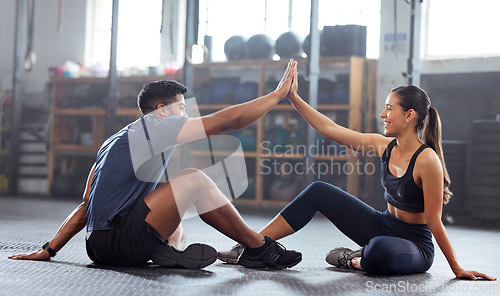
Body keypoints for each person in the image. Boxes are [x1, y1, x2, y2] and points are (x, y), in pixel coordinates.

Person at [8, 59, 302, 270]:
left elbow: (87, 204)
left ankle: (169, 251)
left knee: (177, 226)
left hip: (97, 246)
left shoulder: (113, 141)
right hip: (118, 242)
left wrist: (50, 249)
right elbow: (227, 121)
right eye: (182, 109)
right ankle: (259, 248)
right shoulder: (154, 126)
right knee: (193, 180)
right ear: (162, 110)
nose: (185, 116)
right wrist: (277, 96)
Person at [218, 67, 497, 280]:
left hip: (414, 245)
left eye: (389, 109)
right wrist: (292, 97)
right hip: (383, 225)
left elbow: (434, 221)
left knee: (378, 251)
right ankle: (251, 246)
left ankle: (352, 259)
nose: (382, 114)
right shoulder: (383, 145)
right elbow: (331, 130)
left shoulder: (428, 161)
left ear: (410, 115)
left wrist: (456, 268)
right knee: (318, 191)